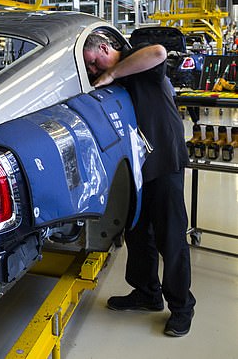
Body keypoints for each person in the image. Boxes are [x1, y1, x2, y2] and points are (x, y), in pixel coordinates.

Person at [83, 32, 195, 337]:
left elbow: (159, 52)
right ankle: (147, 293)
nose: (94, 71)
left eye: (94, 62)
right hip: (137, 167)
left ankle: (182, 307)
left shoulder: (140, 55)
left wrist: (111, 73)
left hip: (164, 160)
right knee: (137, 232)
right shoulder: (116, 77)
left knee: (170, 237)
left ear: (105, 48)